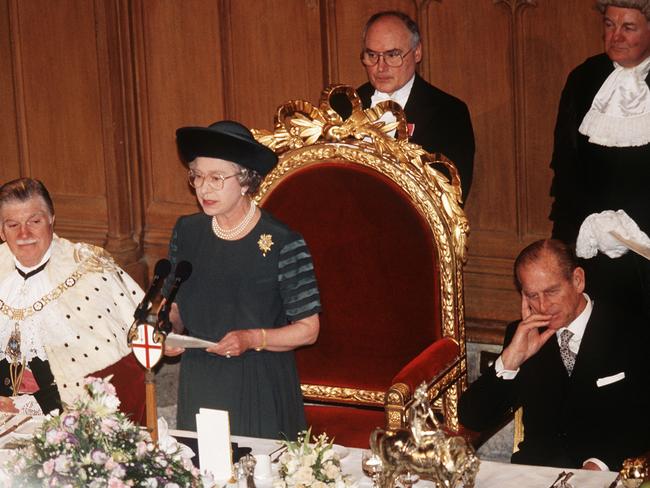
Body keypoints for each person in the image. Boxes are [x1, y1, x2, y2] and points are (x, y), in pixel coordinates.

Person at [164, 120, 321, 439]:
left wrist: (251, 338)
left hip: (258, 379)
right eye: (197, 176)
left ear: (246, 180)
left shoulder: (282, 242)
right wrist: (170, 332)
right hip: (200, 376)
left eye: (217, 178)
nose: (204, 189)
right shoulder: (187, 231)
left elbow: (308, 330)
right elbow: (175, 305)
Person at [459, 239, 650, 471]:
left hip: (607, 473)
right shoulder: (522, 336)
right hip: (537, 475)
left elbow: (642, 419)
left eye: (551, 291)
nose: (542, 305)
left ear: (578, 280)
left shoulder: (631, 329)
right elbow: (473, 418)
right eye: (532, 295)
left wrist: (600, 463)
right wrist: (511, 359)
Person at [0, 178, 145, 418]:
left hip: (65, 416)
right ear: (1, 231)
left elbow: (109, 367)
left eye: (34, 221)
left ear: (52, 220)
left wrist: (30, 405)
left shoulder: (89, 270)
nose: (24, 233)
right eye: (13, 225)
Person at [549, 0, 650, 317]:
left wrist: (634, 227)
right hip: (590, 236)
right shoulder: (583, 78)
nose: (616, 36)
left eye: (628, 27)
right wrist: (588, 226)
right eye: (609, 25)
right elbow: (565, 164)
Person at [339, 11, 475, 201]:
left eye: (392, 55)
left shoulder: (449, 113)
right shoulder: (341, 106)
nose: (381, 67)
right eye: (372, 55)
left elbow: (451, 194)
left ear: (417, 52)